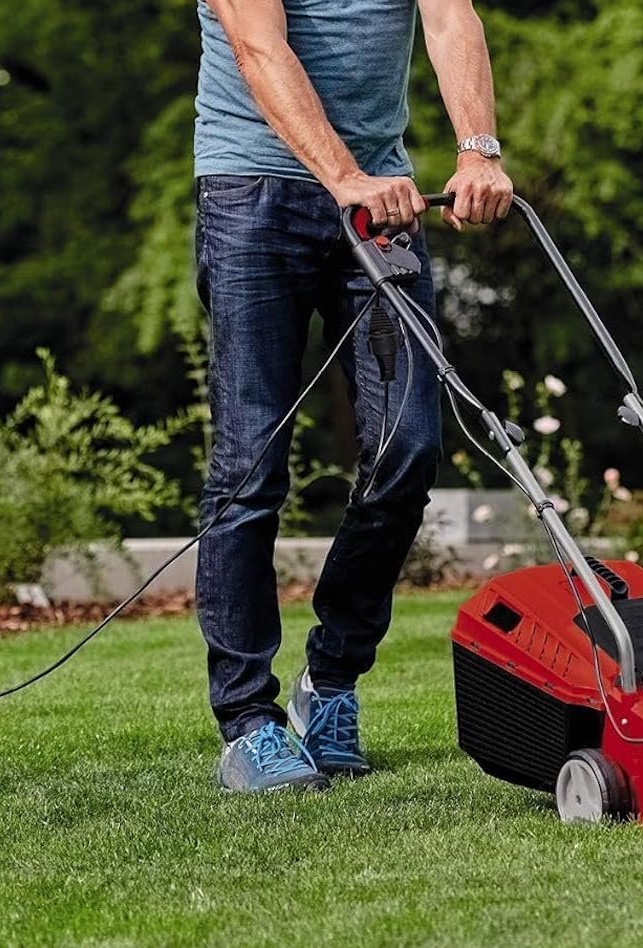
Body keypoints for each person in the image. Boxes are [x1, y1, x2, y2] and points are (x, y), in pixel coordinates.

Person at [194, 0, 513, 792]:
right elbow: (259, 49)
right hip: (252, 196)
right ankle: (248, 722)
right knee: (249, 464)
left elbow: (450, 19)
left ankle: (330, 680)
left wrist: (478, 152)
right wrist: (344, 177)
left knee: (410, 447)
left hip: (381, 203)